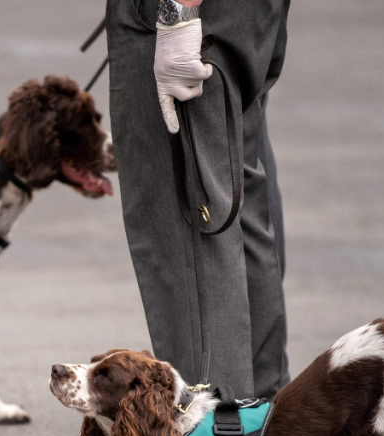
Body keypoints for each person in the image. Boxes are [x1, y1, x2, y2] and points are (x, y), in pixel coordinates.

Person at [105, 0, 290, 400]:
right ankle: (263, 421)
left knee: (188, 222)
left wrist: (178, 11)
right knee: (236, 193)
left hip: (184, 11)